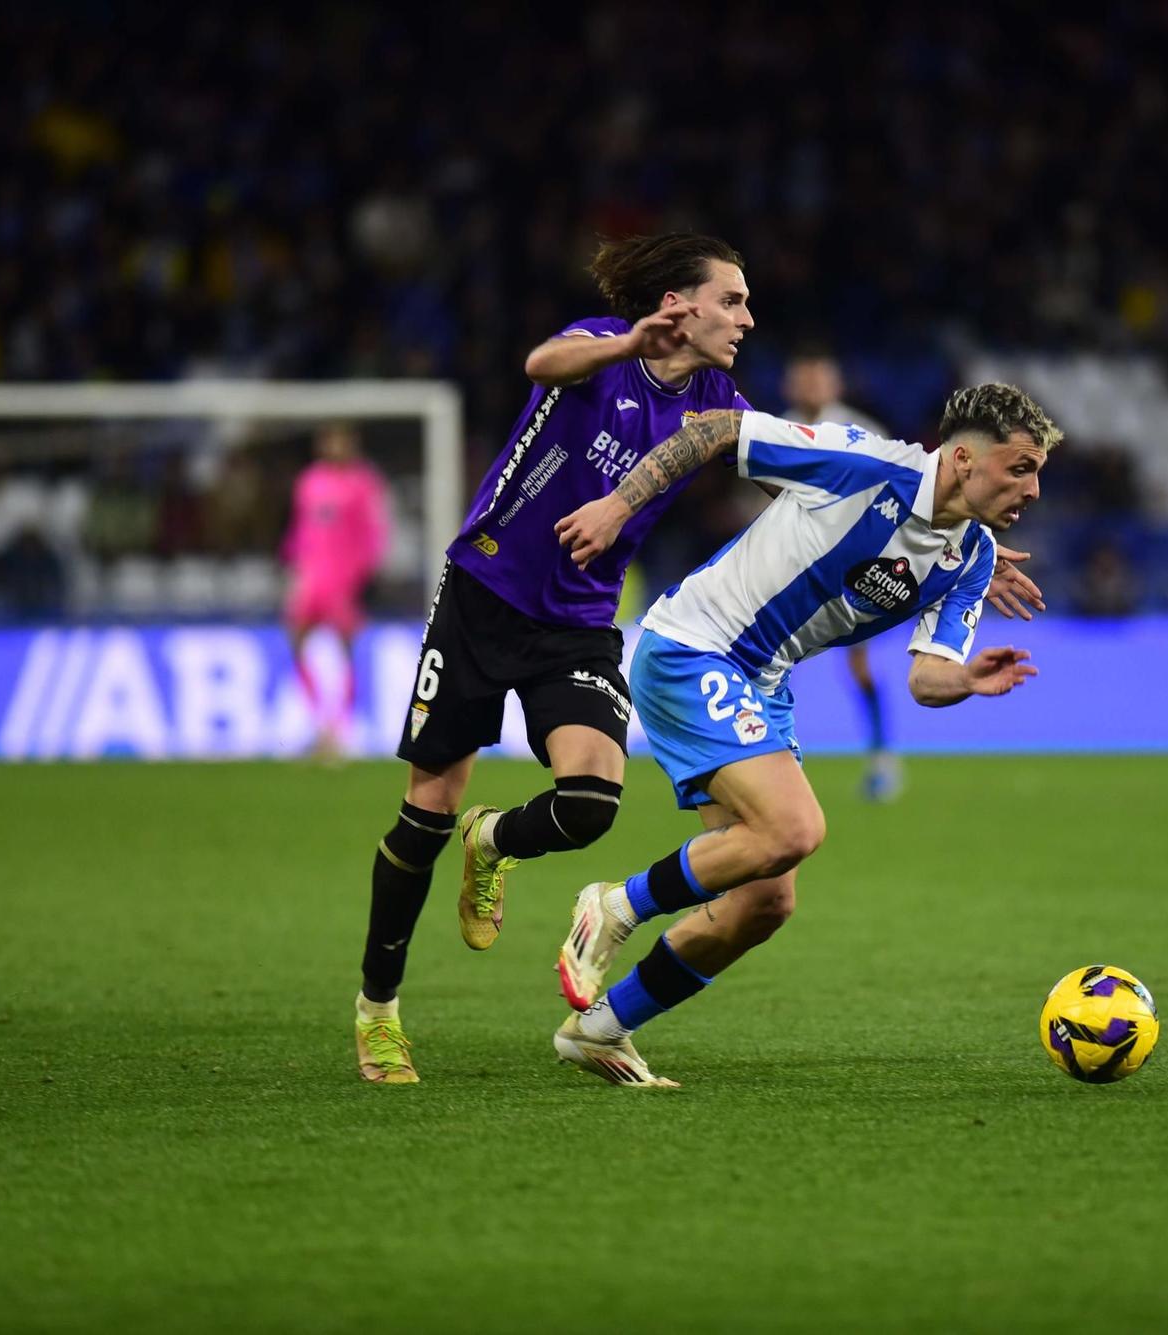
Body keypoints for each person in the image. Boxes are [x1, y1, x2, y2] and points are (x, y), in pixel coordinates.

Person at [352, 235, 1041, 1084]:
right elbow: (542, 361)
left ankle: (555, 947)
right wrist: (626, 367)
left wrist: (945, 544)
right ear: (680, 304)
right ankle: (380, 1011)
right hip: (486, 591)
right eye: (734, 300)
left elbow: (777, 470)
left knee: (634, 824)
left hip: (581, 619)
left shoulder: (723, 397)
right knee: (425, 810)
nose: (749, 318)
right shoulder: (602, 345)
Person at [545, 383, 1061, 1086]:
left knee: (764, 900)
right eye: (1020, 467)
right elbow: (720, 429)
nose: (1032, 488)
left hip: (761, 681)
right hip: (693, 647)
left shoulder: (971, 558)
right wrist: (617, 505)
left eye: (1037, 471)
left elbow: (926, 679)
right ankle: (614, 904)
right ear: (965, 458)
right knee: (793, 827)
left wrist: (967, 679)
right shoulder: (865, 463)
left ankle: (601, 1030)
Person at [781, 345, 901, 801]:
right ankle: (774, 762)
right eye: (803, 378)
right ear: (790, 384)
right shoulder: (779, 428)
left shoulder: (861, 431)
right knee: (769, 665)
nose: (810, 386)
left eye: (818, 377)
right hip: (792, 567)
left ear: (835, 384)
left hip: (854, 567)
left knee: (861, 667)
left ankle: (881, 757)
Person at [281, 424, 389, 758]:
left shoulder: (364, 482)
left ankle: (339, 731)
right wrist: (293, 569)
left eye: (341, 440)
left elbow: (374, 534)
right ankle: (319, 724)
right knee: (297, 642)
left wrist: (364, 576)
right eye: (329, 440)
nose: (334, 446)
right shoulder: (310, 481)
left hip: (343, 579)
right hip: (310, 578)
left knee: (345, 653)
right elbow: (300, 530)